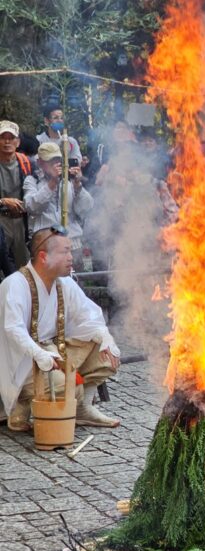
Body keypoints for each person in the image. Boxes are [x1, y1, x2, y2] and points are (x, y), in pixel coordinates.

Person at [0, 227, 120, 431]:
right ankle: (22, 402)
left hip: (53, 351)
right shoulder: (15, 285)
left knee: (106, 356)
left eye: (70, 251)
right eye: (64, 252)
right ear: (43, 257)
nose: (71, 257)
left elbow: (88, 316)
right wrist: (39, 354)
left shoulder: (64, 283)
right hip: (19, 361)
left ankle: (82, 408)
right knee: (69, 389)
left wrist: (105, 337)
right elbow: (13, 330)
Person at [24, 142, 94, 264]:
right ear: (40, 162)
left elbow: (86, 209)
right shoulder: (32, 180)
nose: (55, 164)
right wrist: (52, 183)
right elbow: (31, 207)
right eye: (50, 161)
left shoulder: (69, 180)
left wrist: (78, 185)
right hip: (46, 244)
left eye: (57, 160)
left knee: (77, 276)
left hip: (73, 244)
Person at [0, 120, 32, 269]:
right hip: (1, 219)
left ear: (18, 142)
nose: (7, 142)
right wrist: (3, 201)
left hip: (21, 220)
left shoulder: (26, 163)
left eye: (11, 138)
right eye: (3, 137)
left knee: (24, 267)